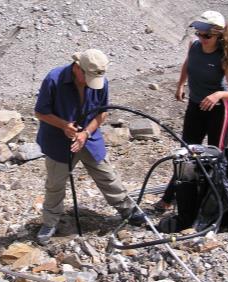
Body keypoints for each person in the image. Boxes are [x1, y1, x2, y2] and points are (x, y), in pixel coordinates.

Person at [35, 49, 145, 244]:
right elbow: (40, 112)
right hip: (58, 141)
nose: (90, 82)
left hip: (89, 138)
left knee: (107, 175)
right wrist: (64, 126)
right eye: (88, 77)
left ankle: (128, 210)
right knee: (55, 184)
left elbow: (102, 113)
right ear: (77, 67)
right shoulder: (54, 79)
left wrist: (85, 133)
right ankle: (50, 222)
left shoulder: (100, 81)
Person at [154, 11, 228, 212]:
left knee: (215, 156)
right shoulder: (194, 46)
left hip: (219, 110)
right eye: (199, 34)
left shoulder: (224, 57)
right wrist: (180, 84)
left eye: (207, 36)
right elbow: (188, 64)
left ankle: (217, 202)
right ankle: (171, 197)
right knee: (186, 152)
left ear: (218, 35)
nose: (202, 39)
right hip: (195, 106)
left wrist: (218, 95)